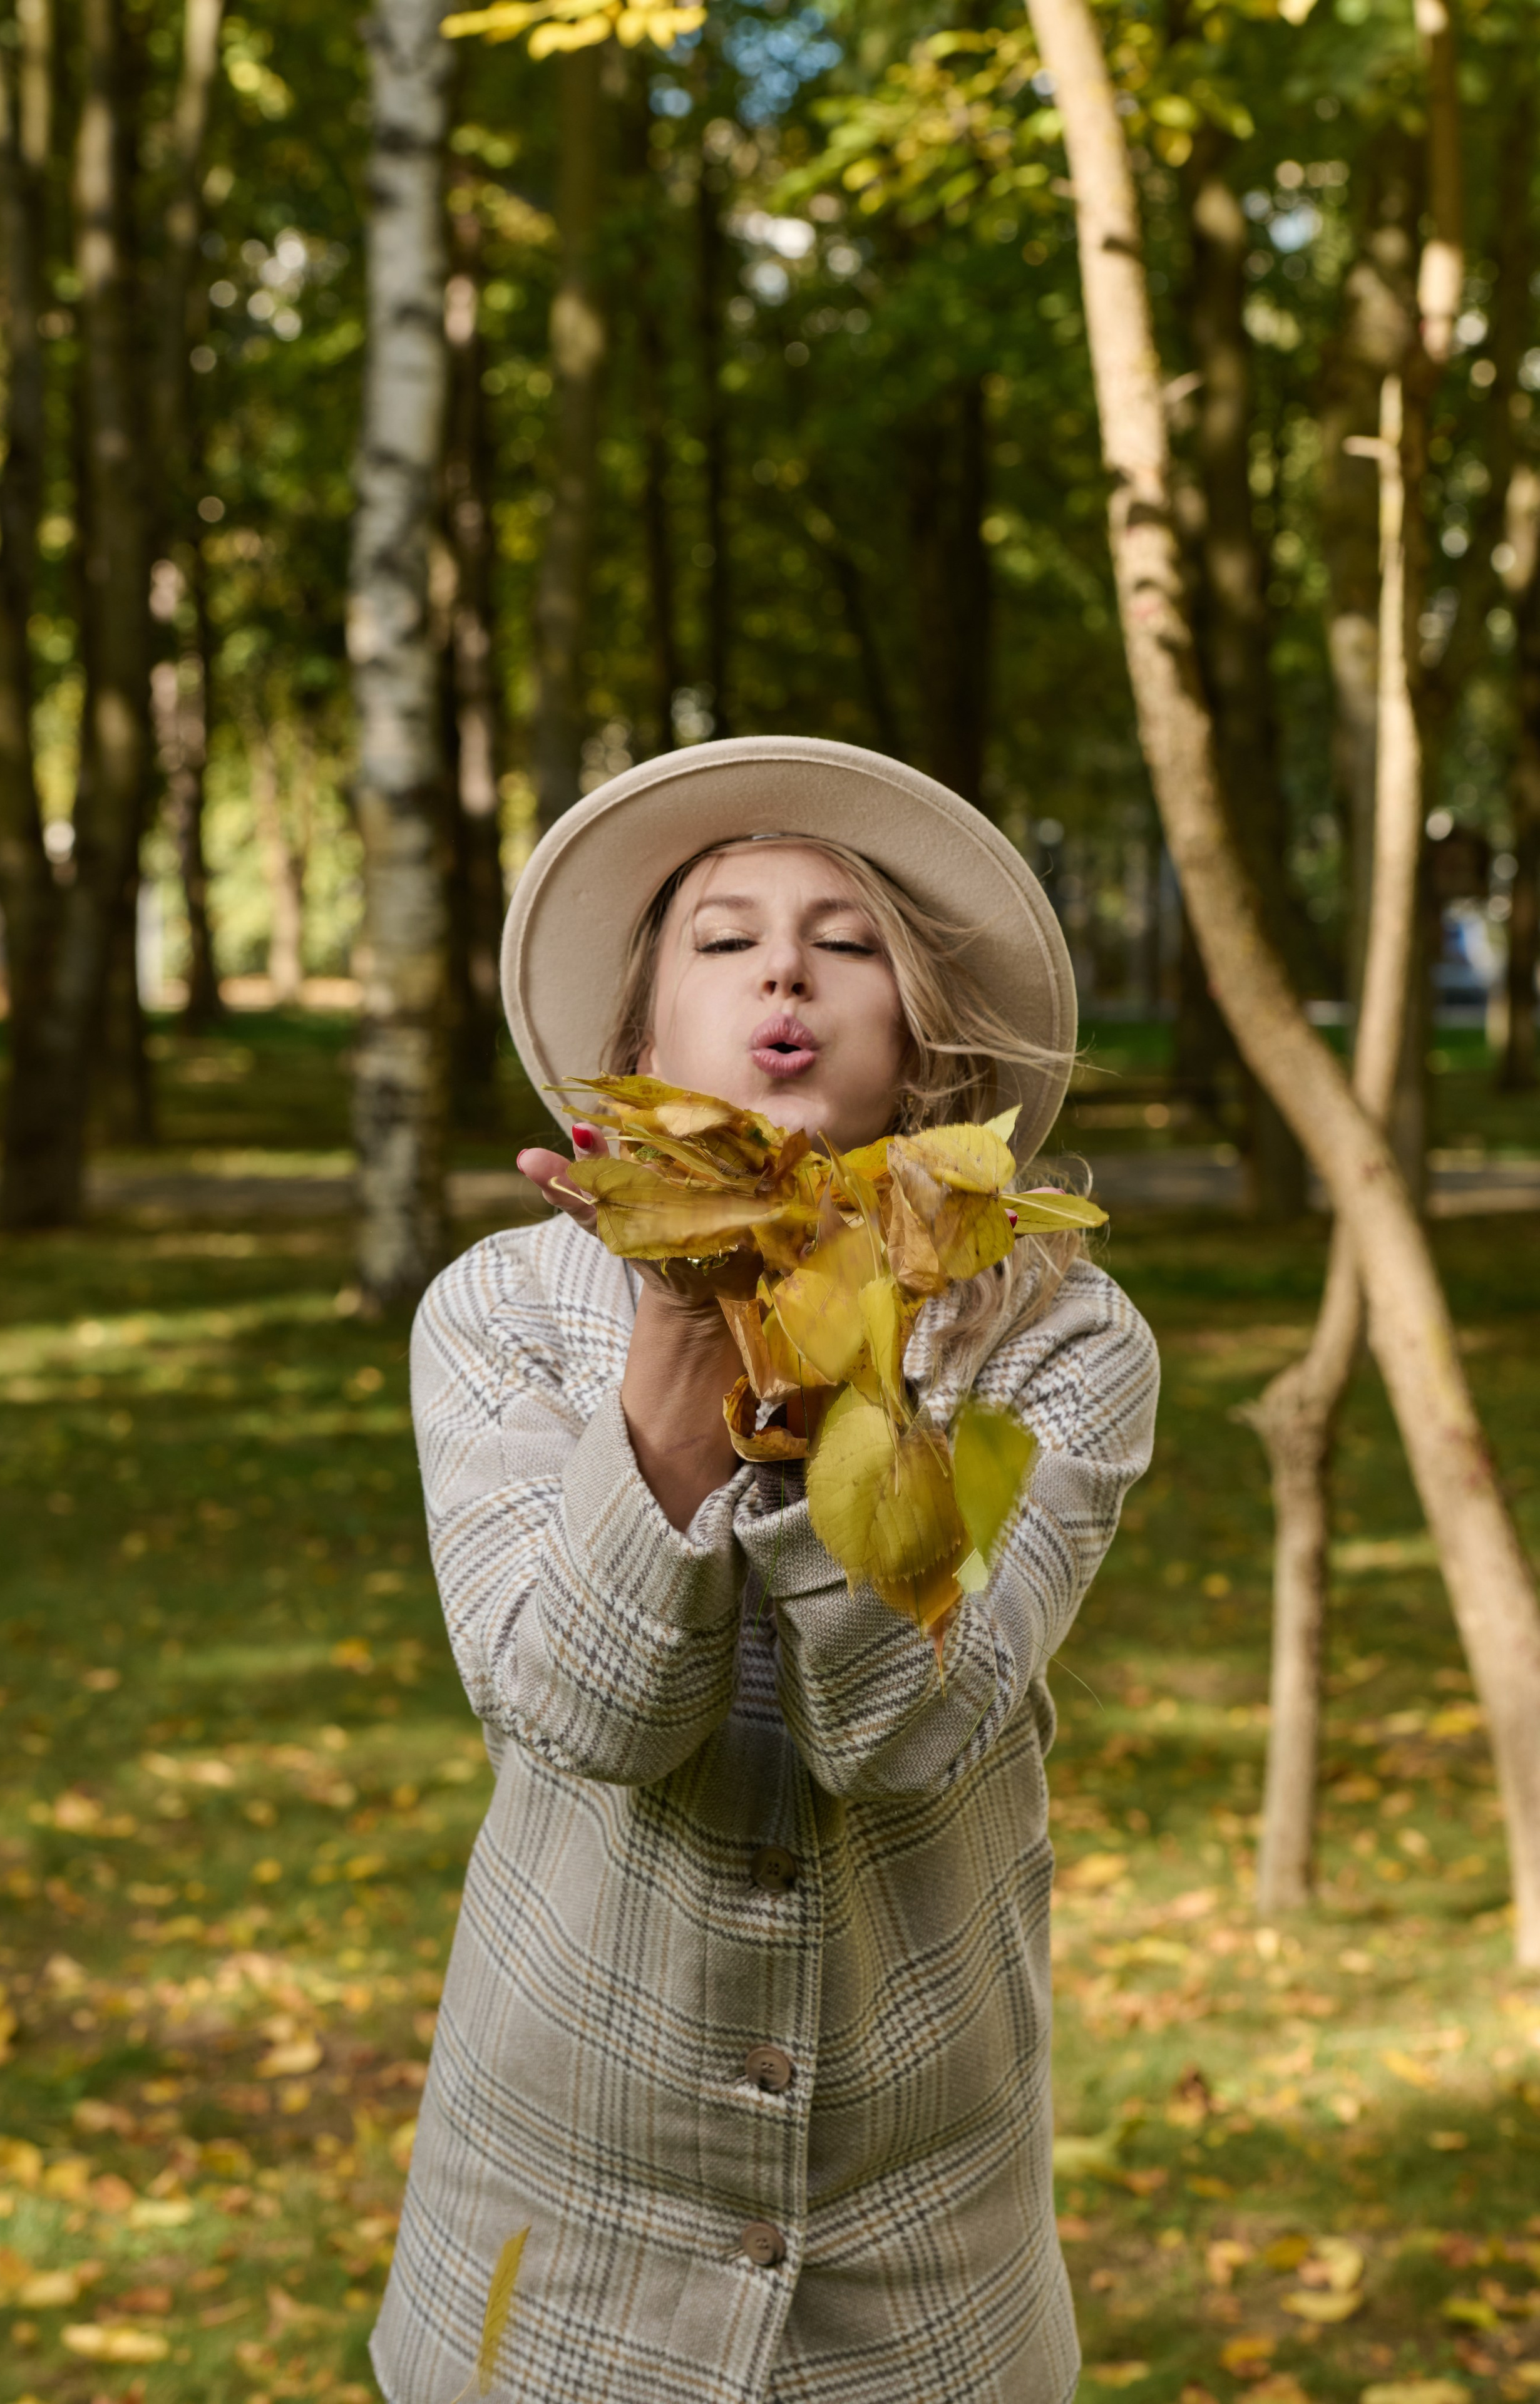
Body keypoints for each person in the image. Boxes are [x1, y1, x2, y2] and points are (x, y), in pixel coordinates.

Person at [371, 736, 1159, 2404]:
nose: (784, 968)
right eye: (722, 940)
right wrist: (680, 1327)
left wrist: (819, 1373)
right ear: (642, 1043)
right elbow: (586, 1716)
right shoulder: (506, 1314)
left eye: (846, 939)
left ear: (919, 1036)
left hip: (920, 2283)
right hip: (561, 2264)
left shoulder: (1060, 1336)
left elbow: (912, 1724)